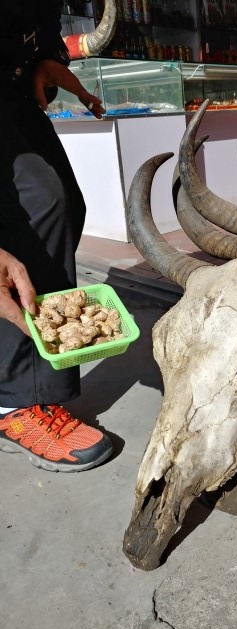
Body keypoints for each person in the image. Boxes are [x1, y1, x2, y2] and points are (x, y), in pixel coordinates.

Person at [0, 1, 112, 472]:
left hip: (11, 87)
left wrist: (43, 56)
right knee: (31, 212)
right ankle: (12, 401)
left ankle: (34, 382)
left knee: (60, 203)